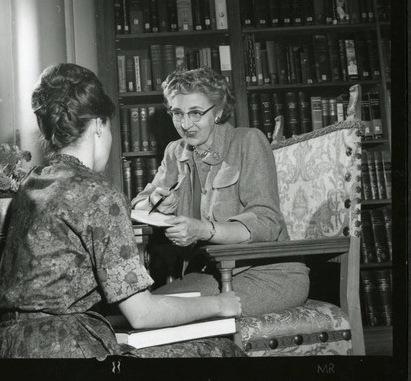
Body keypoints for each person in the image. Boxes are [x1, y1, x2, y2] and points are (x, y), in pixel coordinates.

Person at [0, 63, 243, 359]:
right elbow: (143, 314)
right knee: (225, 353)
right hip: (69, 352)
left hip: (12, 348)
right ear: (99, 124)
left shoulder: (31, 183)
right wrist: (219, 303)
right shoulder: (98, 192)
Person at [132, 67, 310, 318]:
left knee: (162, 316)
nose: (185, 124)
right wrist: (155, 202)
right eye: (177, 113)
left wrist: (203, 229)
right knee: (143, 312)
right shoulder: (175, 152)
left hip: (269, 274)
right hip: (210, 274)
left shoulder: (248, 141)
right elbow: (138, 206)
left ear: (217, 111)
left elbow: (267, 222)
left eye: (195, 113)